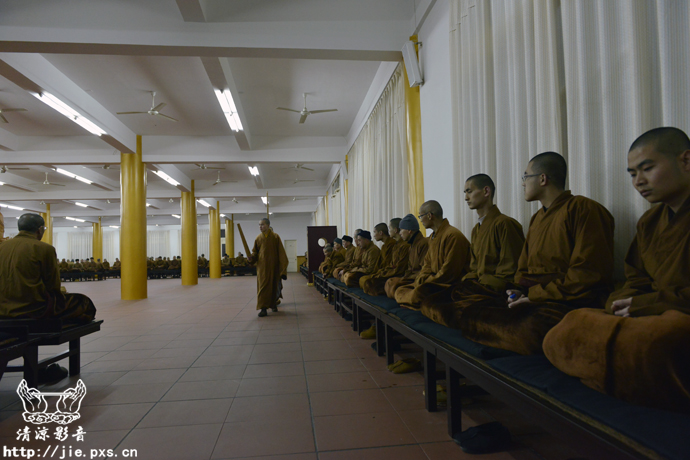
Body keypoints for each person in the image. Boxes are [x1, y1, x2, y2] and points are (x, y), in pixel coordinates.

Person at [544, 127, 690, 413]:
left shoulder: (582, 210)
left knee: (662, 338)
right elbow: (635, 279)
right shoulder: (649, 222)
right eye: (632, 174)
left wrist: (646, 305)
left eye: (647, 168)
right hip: (647, 315)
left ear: (686, 160)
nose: (639, 181)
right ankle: (632, 377)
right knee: (570, 325)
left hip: (676, 319)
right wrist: (621, 304)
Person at [460, 152, 615, 355]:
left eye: (526, 177)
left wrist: (535, 296)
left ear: (542, 179)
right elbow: (522, 269)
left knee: (528, 328)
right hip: (535, 297)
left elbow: (586, 275)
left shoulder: (584, 209)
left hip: (569, 300)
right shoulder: (536, 219)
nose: (523, 183)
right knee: (472, 314)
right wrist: (518, 292)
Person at [421, 174, 525, 328]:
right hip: (476, 286)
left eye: (469, 191)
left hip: (495, 291)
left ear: (486, 191)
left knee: (440, 307)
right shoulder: (476, 230)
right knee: (429, 302)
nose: (466, 198)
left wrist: (478, 284)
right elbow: (473, 268)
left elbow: (509, 272)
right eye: (465, 193)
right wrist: (468, 282)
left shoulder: (505, 224)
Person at [0, 214, 96, 321]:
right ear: (40, 229)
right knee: (83, 302)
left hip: (2, 308)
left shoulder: (2, 246)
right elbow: (52, 285)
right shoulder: (44, 249)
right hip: (32, 309)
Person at [394, 201, 471, 309]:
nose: (420, 220)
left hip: (448, 284)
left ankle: (415, 302)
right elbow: (427, 264)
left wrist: (426, 282)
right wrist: (421, 279)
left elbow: (449, 272)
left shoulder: (453, 236)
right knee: (400, 290)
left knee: (417, 293)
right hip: (432, 282)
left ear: (429, 216)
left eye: (421, 216)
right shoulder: (432, 238)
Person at [248, 218, 288, 317]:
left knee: (274, 287)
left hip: (274, 267)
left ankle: (273, 304)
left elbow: (281, 253)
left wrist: (283, 270)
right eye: (259, 225)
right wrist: (251, 258)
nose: (260, 227)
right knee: (263, 288)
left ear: (268, 225)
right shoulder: (258, 238)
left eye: (262, 224)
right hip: (262, 268)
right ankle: (263, 308)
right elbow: (255, 253)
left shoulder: (275, 237)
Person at [361, 218, 410, 296]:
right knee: (366, 281)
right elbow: (388, 264)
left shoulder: (400, 245)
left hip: (397, 275)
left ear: (395, 230)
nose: (388, 231)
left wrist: (381, 274)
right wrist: (378, 273)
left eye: (389, 228)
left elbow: (398, 268)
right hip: (388, 272)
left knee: (368, 283)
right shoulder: (394, 245)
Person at [385, 214, 429, 298]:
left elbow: (424, 271)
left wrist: (405, 279)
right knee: (390, 283)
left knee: (397, 289)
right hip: (411, 278)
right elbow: (409, 269)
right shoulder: (412, 245)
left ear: (409, 230)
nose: (400, 233)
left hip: (418, 281)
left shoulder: (423, 244)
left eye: (401, 229)